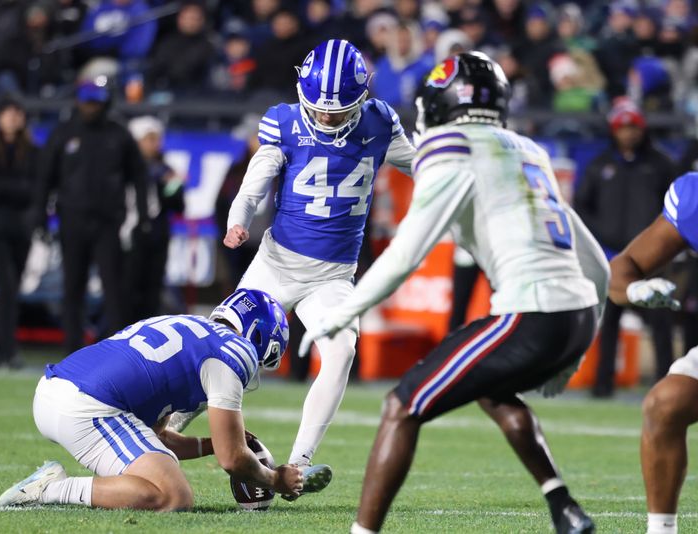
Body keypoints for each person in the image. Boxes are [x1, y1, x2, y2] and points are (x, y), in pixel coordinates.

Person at [299, 52, 607, 534]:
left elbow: (405, 255)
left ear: (439, 102)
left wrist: (342, 312)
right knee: (488, 386)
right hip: (576, 314)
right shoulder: (530, 149)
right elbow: (599, 267)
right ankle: (563, 508)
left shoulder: (450, 146)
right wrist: (577, 349)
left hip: (531, 313)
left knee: (401, 406)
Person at [219, 39, 416, 479]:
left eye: (338, 108)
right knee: (221, 351)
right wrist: (239, 219)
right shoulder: (284, 121)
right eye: (319, 106)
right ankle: (168, 429)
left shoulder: (380, 122)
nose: (327, 115)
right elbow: (256, 181)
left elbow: (421, 163)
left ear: (363, 96)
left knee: (343, 350)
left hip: (332, 277)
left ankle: (299, 462)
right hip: (275, 265)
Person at [0, 288, 331, 510]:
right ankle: (52, 490)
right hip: (88, 408)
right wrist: (275, 479)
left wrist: (210, 444)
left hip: (57, 390)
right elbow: (233, 460)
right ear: (258, 338)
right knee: (173, 495)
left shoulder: (185, 324)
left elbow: (154, 438)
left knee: (158, 473)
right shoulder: (235, 352)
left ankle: (54, 487)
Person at [607, 172, 698, 534]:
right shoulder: (693, 199)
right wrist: (635, 291)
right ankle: (661, 530)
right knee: (666, 403)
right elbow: (620, 271)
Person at [35, 77, 149, 354]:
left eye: (96, 101)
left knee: (114, 288)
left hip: (108, 223)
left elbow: (139, 176)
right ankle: (72, 350)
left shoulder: (118, 135)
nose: (91, 107)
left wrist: (143, 214)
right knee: (73, 286)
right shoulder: (63, 133)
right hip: (72, 220)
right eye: (86, 101)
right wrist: (39, 215)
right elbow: (44, 177)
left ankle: (116, 351)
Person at [574, 99, 675, 397]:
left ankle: (664, 383)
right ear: (613, 130)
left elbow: (675, 209)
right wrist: (598, 242)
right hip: (612, 256)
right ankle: (602, 383)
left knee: (661, 322)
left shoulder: (660, 165)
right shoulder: (600, 165)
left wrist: (666, 245)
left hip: (653, 257)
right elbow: (581, 207)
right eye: (622, 127)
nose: (628, 133)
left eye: (633, 127)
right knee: (608, 324)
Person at [0, 95, 39, 369]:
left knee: (11, 289)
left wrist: (14, 189)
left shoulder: (33, 151)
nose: (13, 117)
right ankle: (4, 348)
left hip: (21, 229)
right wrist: (21, 189)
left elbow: (35, 190)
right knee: (7, 285)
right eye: (8, 112)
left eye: (18, 112)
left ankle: (1, 348)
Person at [123, 115, 184, 324]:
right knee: (128, 287)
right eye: (149, 139)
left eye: (156, 139)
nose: (154, 144)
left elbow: (178, 205)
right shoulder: (125, 167)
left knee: (153, 288)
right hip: (130, 232)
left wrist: (172, 186)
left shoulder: (165, 169)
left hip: (158, 233)